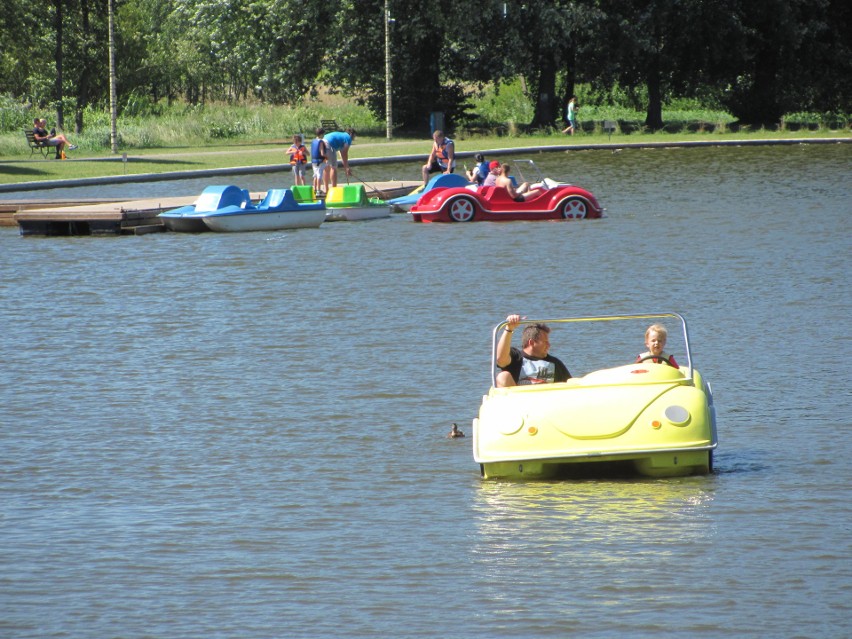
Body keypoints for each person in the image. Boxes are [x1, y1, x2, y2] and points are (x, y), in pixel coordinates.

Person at [495, 314, 571, 387]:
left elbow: (570, 383)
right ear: (531, 342)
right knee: (503, 376)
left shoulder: (554, 363)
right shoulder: (516, 358)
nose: (549, 345)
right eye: (545, 342)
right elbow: (500, 359)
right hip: (520, 398)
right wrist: (509, 328)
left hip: (546, 398)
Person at [311, 128, 330, 195]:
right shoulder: (321, 142)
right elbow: (322, 153)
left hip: (314, 161)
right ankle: (318, 191)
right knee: (319, 175)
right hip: (320, 161)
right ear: (321, 134)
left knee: (315, 175)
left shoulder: (313, 141)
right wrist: (327, 156)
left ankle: (315, 189)